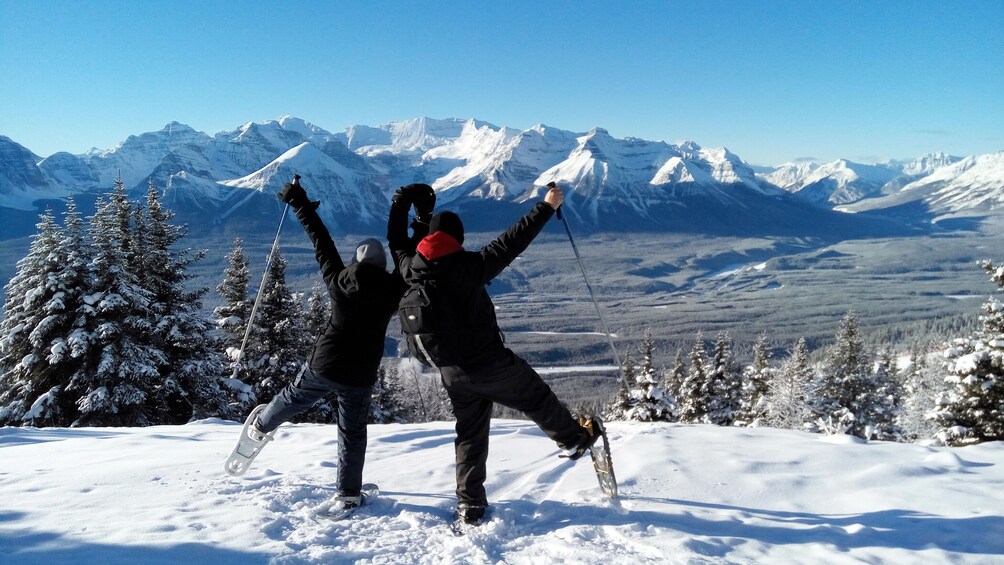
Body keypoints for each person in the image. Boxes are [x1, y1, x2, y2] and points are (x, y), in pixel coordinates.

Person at [387, 182, 601, 525]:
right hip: (489, 363)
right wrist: (546, 206)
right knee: (535, 395)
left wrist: (399, 204)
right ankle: (575, 439)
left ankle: (470, 504)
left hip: (451, 372)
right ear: (456, 239)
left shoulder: (409, 267)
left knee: (469, 435)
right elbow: (513, 240)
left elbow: (395, 239)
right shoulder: (472, 266)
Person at [228, 175, 423, 513]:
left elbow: (320, 238)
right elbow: (412, 255)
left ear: (356, 262)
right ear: (382, 265)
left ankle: (261, 426)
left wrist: (299, 201)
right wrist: (419, 223)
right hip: (360, 374)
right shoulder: (394, 288)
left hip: (325, 363)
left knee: (292, 398)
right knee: (352, 432)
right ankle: (348, 493)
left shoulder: (338, 280)